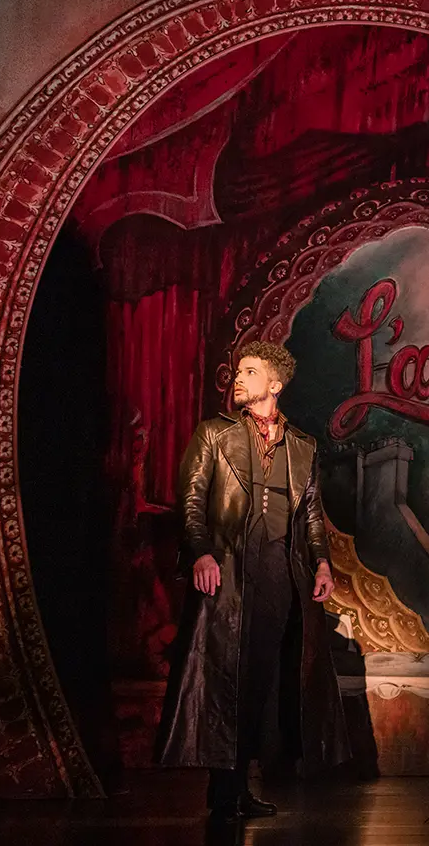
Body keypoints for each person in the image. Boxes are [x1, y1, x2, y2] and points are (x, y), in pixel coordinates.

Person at [155, 341, 346, 824]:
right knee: (226, 681)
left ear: (275, 385)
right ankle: (223, 795)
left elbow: (312, 517)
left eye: (250, 371)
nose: (237, 377)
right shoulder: (215, 435)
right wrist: (201, 552)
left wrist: (321, 563)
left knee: (260, 684)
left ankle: (241, 789)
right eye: (237, 370)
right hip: (231, 569)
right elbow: (192, 500)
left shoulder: (303, 446)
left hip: (280, 572)